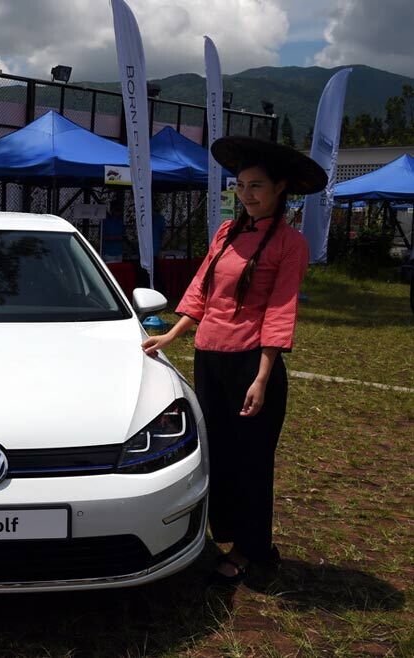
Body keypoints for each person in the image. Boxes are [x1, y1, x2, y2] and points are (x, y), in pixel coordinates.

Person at [141, 136, 327, 584]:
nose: (246, 195)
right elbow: (202, 288)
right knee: (217, 452)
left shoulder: (290, 244)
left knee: (252, 460)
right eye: (240, 186)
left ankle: (252, 549)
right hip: (210, 358)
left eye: (257, 186)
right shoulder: (227, 233)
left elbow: (281, 310)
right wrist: (172, 333)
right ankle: (222, 533)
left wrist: (262, 377)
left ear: (281, 188)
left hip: (250, 366)